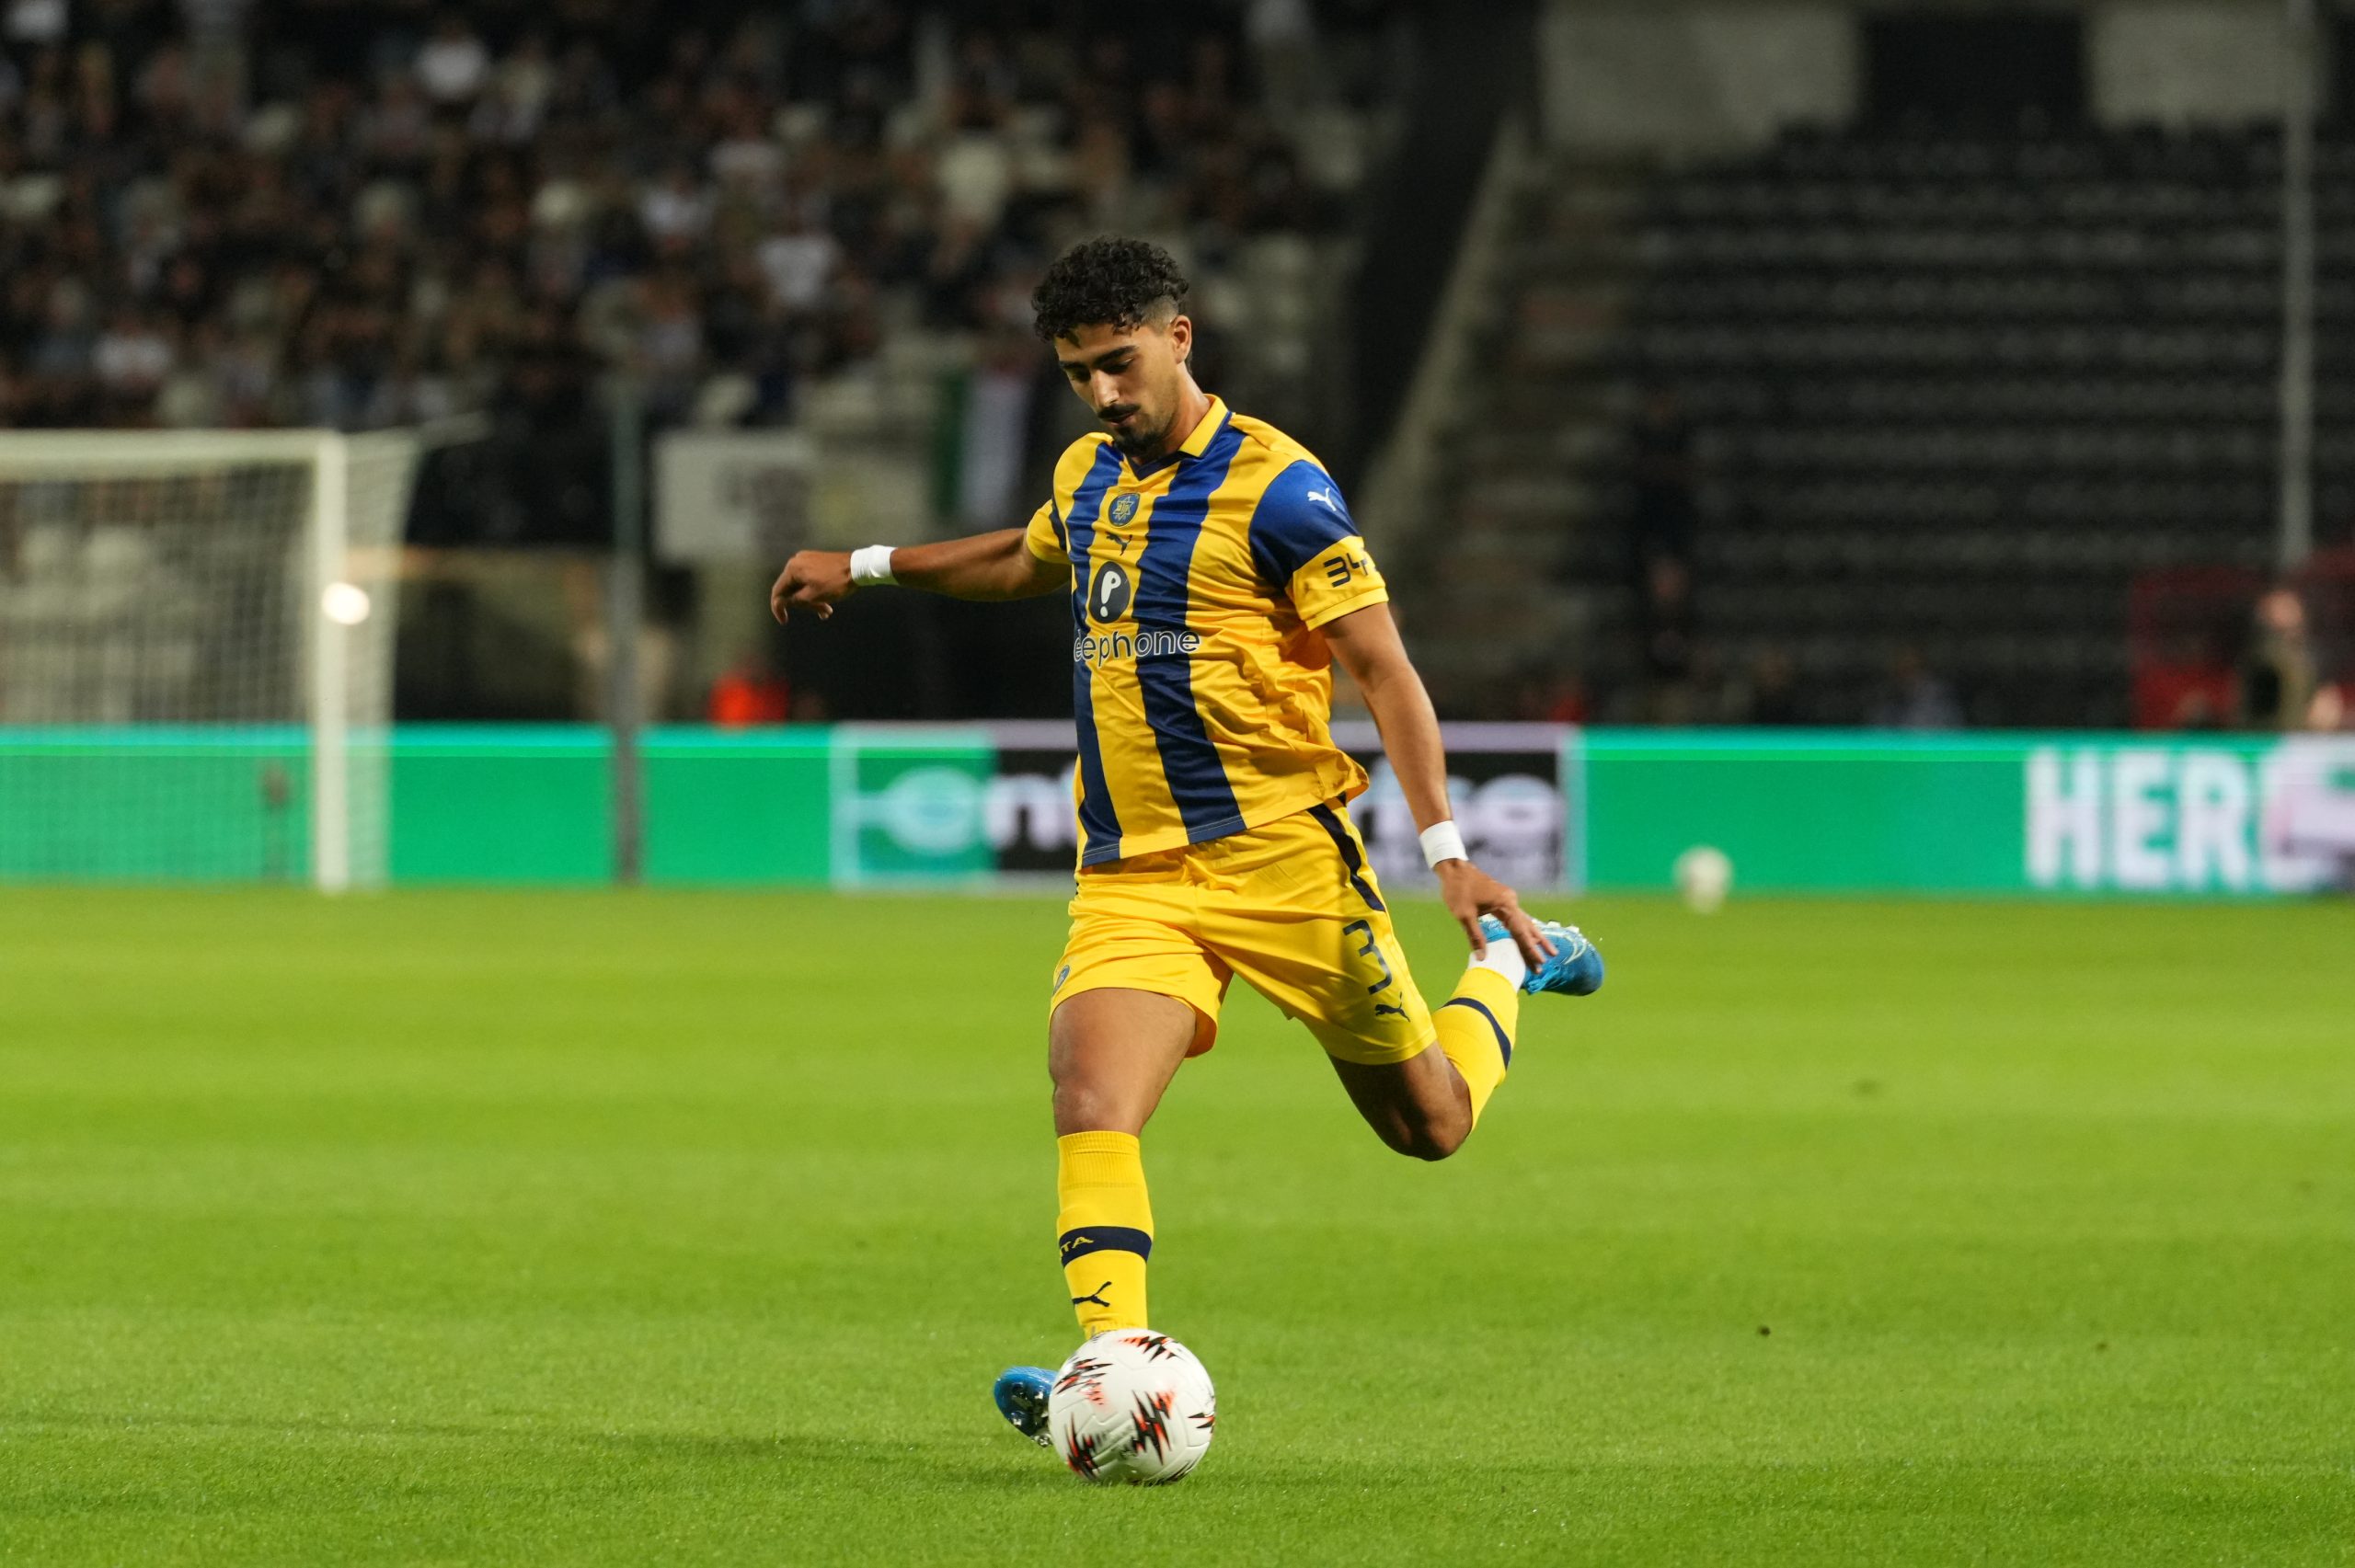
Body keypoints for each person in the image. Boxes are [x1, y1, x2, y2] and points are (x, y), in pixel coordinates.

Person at [766, 237, 1604, 1452]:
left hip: (1285, 862)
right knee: (1089, 1093)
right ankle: (1110, 1365)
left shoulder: (1282, 491)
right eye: (1078, 374)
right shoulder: (1088, 473)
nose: (1103, 394)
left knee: (1431, 1125)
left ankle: (1510, 966)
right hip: (1136, 874)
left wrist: (1447, 850)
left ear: (1179, 338)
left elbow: (1385, 669)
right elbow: (1026, 557)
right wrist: (866, 565)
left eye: (1119, 363)